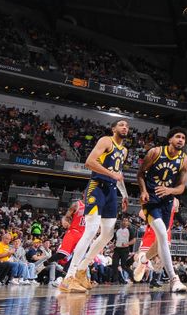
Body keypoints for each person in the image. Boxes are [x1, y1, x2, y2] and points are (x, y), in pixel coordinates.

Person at [61, 119, 129, 293]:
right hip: (97, 187)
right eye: (121, 124)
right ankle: (69, 277)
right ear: (113, 128)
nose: (125, 127)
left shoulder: (124, 150)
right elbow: (89, 162)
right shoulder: (106, 140)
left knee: (107, 234)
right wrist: (111, 174)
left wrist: (124, 194)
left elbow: (118, 173)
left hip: (112, 192)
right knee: (91, 230)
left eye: (127, 126)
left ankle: (82, 269)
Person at [137, 128, 187, 293]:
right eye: (178, 137)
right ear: (170, 139)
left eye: (183, 138)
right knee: (161, 233)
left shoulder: (185, 160)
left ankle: (144, 260)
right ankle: (174, 279)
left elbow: (181, 186)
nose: (181, 140)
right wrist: (143, 191)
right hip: (151, 199)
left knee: (161, 239)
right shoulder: (155, 152)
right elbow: (140, 174)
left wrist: (170, 191)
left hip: (167, 201)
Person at [112, 217, 136, 284]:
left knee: (124, 266)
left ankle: (134, 277)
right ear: (121, 222)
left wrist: (127, 243)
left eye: (126, 221)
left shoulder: (130, 229)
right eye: (123, 220)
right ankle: (116, 280)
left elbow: (134, 240)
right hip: (117, 249)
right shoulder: (117, 230)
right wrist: (113, 245)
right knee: (115, 264)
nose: (125, 222)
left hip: (125, 249)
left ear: (128, 222)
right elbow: (115, 240)